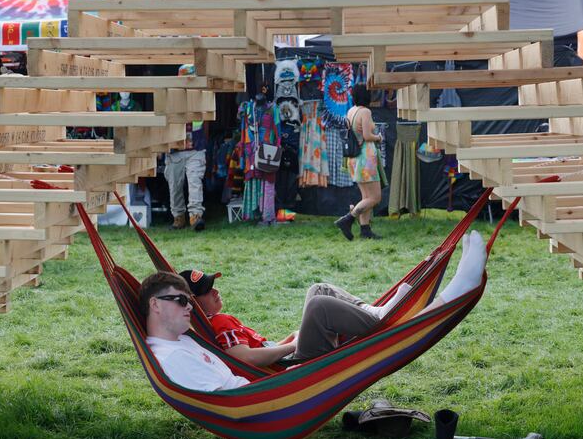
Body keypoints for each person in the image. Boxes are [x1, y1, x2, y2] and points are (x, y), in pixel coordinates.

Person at [143, 231, 486, 391]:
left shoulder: (203, 326)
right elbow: (245, 359)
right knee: (320, 305)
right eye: (197, 296)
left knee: (317, 290)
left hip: (283, 368)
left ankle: (378, 312)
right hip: (290, 378)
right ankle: (385, 315)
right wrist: (291, 345)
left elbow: (249, 353)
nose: (213, 293)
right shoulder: (216, 323)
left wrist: (282, 341)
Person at [141, 271, 251, 391]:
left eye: (189, 301)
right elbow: (224, 401)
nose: (190, 307)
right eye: (181, 300)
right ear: (155, 304)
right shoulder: (176, 357)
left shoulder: (184, 339)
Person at [335, 84, 386, 240]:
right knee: (375, 197)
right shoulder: (365, 112)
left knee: (366, 196)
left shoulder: (351, 111)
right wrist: (378, 137)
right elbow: (367, 135)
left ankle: (365, 230)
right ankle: (348, 219)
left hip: (354, 158)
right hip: (366, 158)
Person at [164, 64, 208, 231]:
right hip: (175, 151)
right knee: (174, 186)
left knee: (195, 182)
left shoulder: (202, 97)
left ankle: (195, 217)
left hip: (195, 150)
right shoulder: (170, 98)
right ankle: (178, 218)